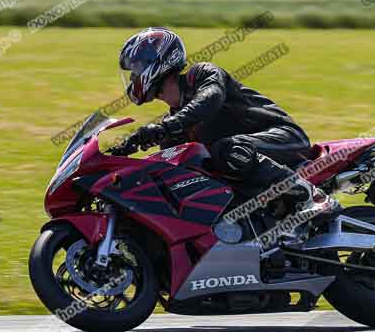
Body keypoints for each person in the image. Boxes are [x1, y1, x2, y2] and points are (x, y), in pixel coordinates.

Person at [112, 27, 337, 226]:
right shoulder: (175, 128)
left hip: (285, 138)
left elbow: (210, 98)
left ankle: (311, 197)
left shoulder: (201, 75)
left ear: (158, 60)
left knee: (228, 149)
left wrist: (166, 126)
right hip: (247, 160)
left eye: (138, 67)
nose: (133, 76)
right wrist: (124, 157)